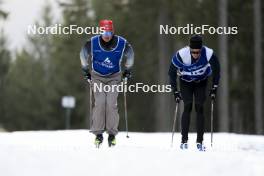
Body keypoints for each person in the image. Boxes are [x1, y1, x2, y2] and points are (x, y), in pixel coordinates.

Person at [80, 19, 134, 147]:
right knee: (100, 103)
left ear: (112, 31)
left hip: (114, 77)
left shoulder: (121, 43)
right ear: (100, 31)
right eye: (104, 32)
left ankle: (111, 134)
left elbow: (130, 55)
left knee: (111, 103)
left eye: (109, 32)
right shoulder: (92, 42)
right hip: (97, 76)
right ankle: (98, 134)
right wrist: (85, 70)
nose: (106, 36)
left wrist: (128, 70)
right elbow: (83, 54)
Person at [168, 34, 220, 151]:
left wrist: (214, 87)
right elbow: (171, 73)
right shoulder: (182, 55)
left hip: (201, 81)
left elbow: (217, 70)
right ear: (190, 49)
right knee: (187, 106)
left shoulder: (208, 53)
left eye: (198, 52)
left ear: (201, 49)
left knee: (199, 107)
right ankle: (184, 140)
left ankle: (200, 141)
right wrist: (175, 91)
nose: (196, 55)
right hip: (186, 82)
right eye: (193, 52)